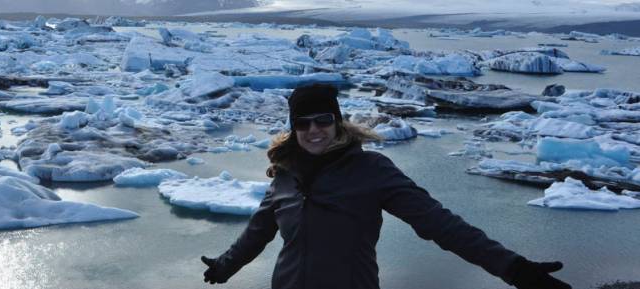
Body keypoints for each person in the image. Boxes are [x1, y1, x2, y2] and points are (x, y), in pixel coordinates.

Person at [200, 84, 571, 289]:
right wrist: (223, 266)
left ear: (338, 122)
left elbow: (440, 224)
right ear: (294, 128)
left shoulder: (371, 170)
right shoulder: (286, 173)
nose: (314, 130)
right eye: (303, 123)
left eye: (323, 120)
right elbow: (258, 231)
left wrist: (515, 269)